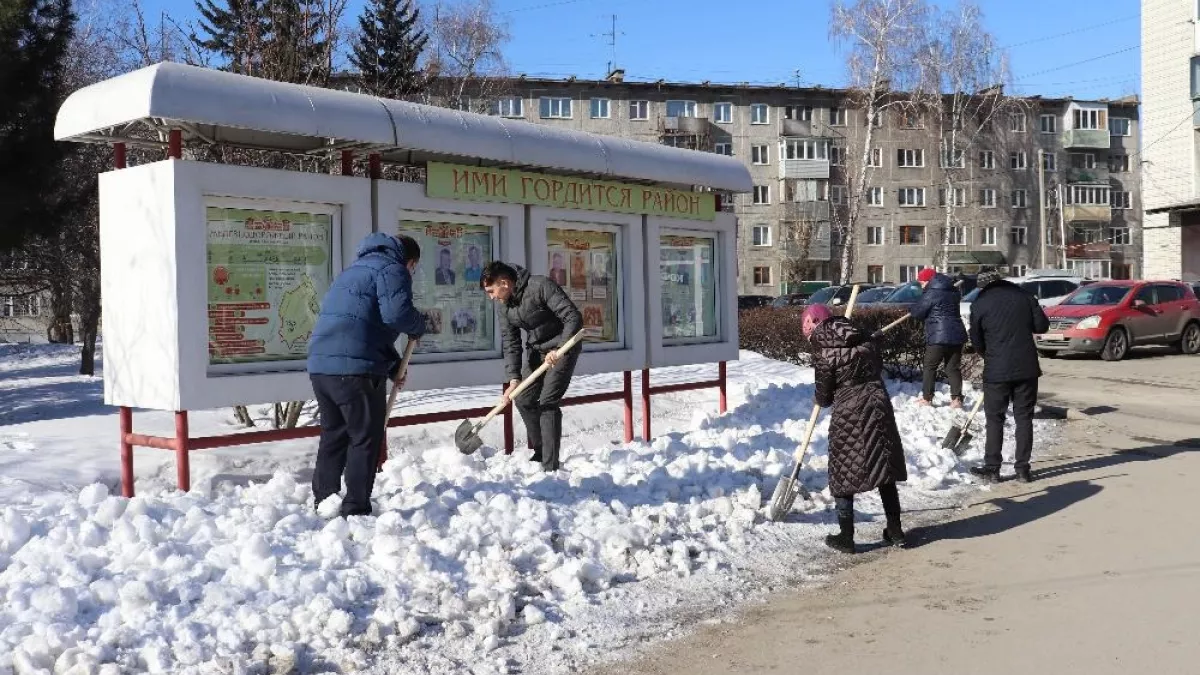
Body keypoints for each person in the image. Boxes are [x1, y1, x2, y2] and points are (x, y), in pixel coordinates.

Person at [306, 233, 426, 517]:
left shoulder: (354, 271)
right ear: (410, 261)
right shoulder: (392, 269)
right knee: (365, 438)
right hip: (355, 372)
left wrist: (392, 366)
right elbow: (396, 314)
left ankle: (324, 500)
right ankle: (355, 507)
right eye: (413, 267)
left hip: (322, 366)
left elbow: (361, 326)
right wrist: (419, 325)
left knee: (334, 434)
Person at [805, 303, 908, 553]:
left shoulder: (824, 351)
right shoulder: (864, 338)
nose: (805, 331)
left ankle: (846, 536)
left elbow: (824, 397)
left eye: (806, 325)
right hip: (878, 403)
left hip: (849, 410)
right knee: (883, 466)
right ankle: (895, 530)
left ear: (814, 323)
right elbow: (877, 366)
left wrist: (818, 397)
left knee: (843, 471)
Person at [480, 261, 583, 472]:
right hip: (538, 351)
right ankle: (542, 450)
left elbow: (573, 317)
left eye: (491, 291)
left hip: (564, 346)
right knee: (522, 398)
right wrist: (514, 379)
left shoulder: (540, 286)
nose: (491, 297)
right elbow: (511, 343)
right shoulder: (504, 306)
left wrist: (560, 348)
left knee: (547, 402)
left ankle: (550, 466)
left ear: (504, 283)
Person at [968, 270, 1050, 483]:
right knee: (1024, 418)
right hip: (1026, 368)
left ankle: (992, 468)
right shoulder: (1025, 297)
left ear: (983, 286)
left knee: (995, 419)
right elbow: (1042, 326)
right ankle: (1022, 469)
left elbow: (976, 340)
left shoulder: (980, 304)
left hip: (996, 370)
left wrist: (989, 356)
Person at [909, 267, 967, 408]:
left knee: (930, 366)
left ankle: (927, 398)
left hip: (938, 335)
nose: (921, 286)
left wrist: (913, 308)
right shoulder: (953, 291)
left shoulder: (931, 293)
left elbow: (917, 313)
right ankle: (957, 399)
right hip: (957, 334)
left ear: (928, 280)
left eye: (922, 282)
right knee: (953, 368)